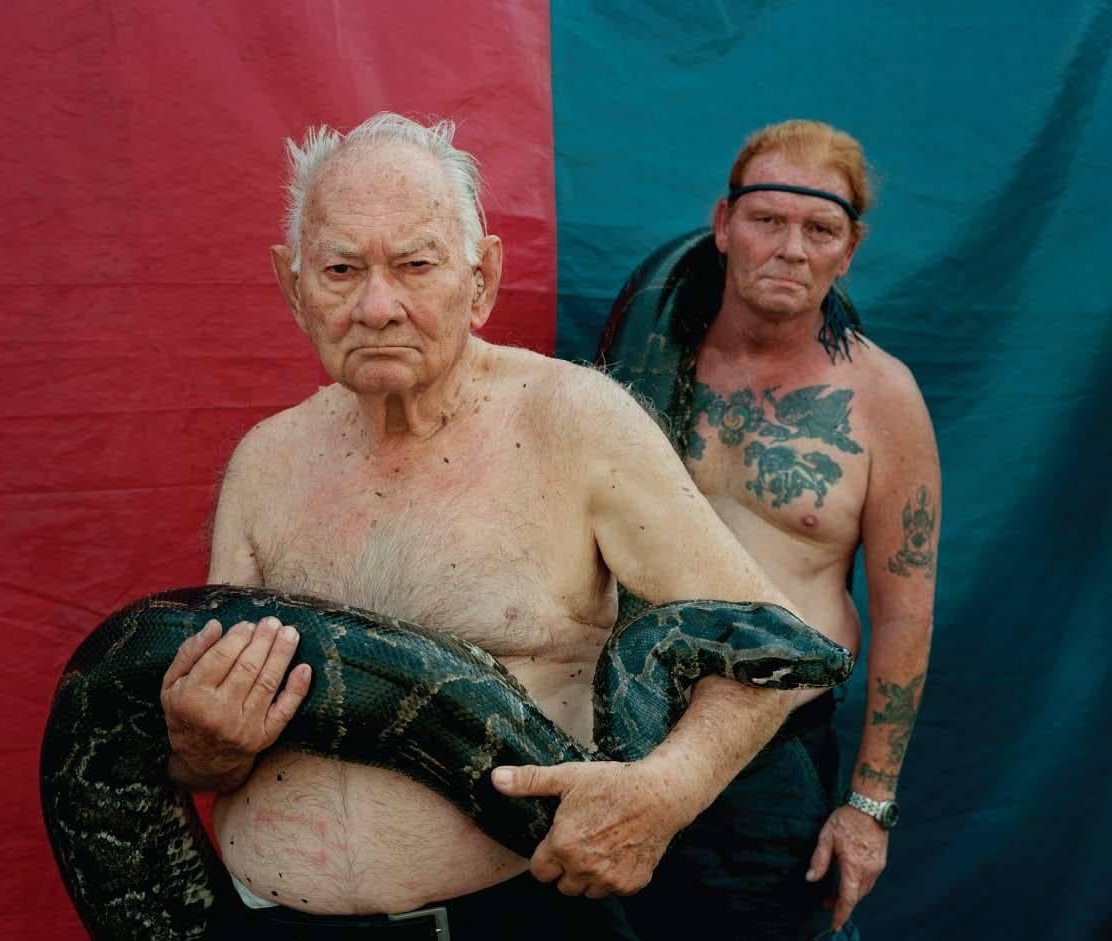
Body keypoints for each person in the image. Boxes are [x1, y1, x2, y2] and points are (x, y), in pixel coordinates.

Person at [158, 113, 827, 939]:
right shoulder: (265, 462)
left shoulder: (573, 422)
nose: (376, 305)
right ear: (292, 286)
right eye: (339, 268)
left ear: (481, 281)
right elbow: (211, 758)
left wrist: (666, 790)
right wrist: (205, 747)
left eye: (414, 265)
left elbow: (773, 651)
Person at [606, 120, 940, 939]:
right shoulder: (638, 370)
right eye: (767, 220)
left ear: (847, 250)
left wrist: (868, 806)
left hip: (772, 761)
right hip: (619, 738)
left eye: (819, 229)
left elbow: (905, 613)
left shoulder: (882, 397)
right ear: (724, 226)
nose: (791, 247)